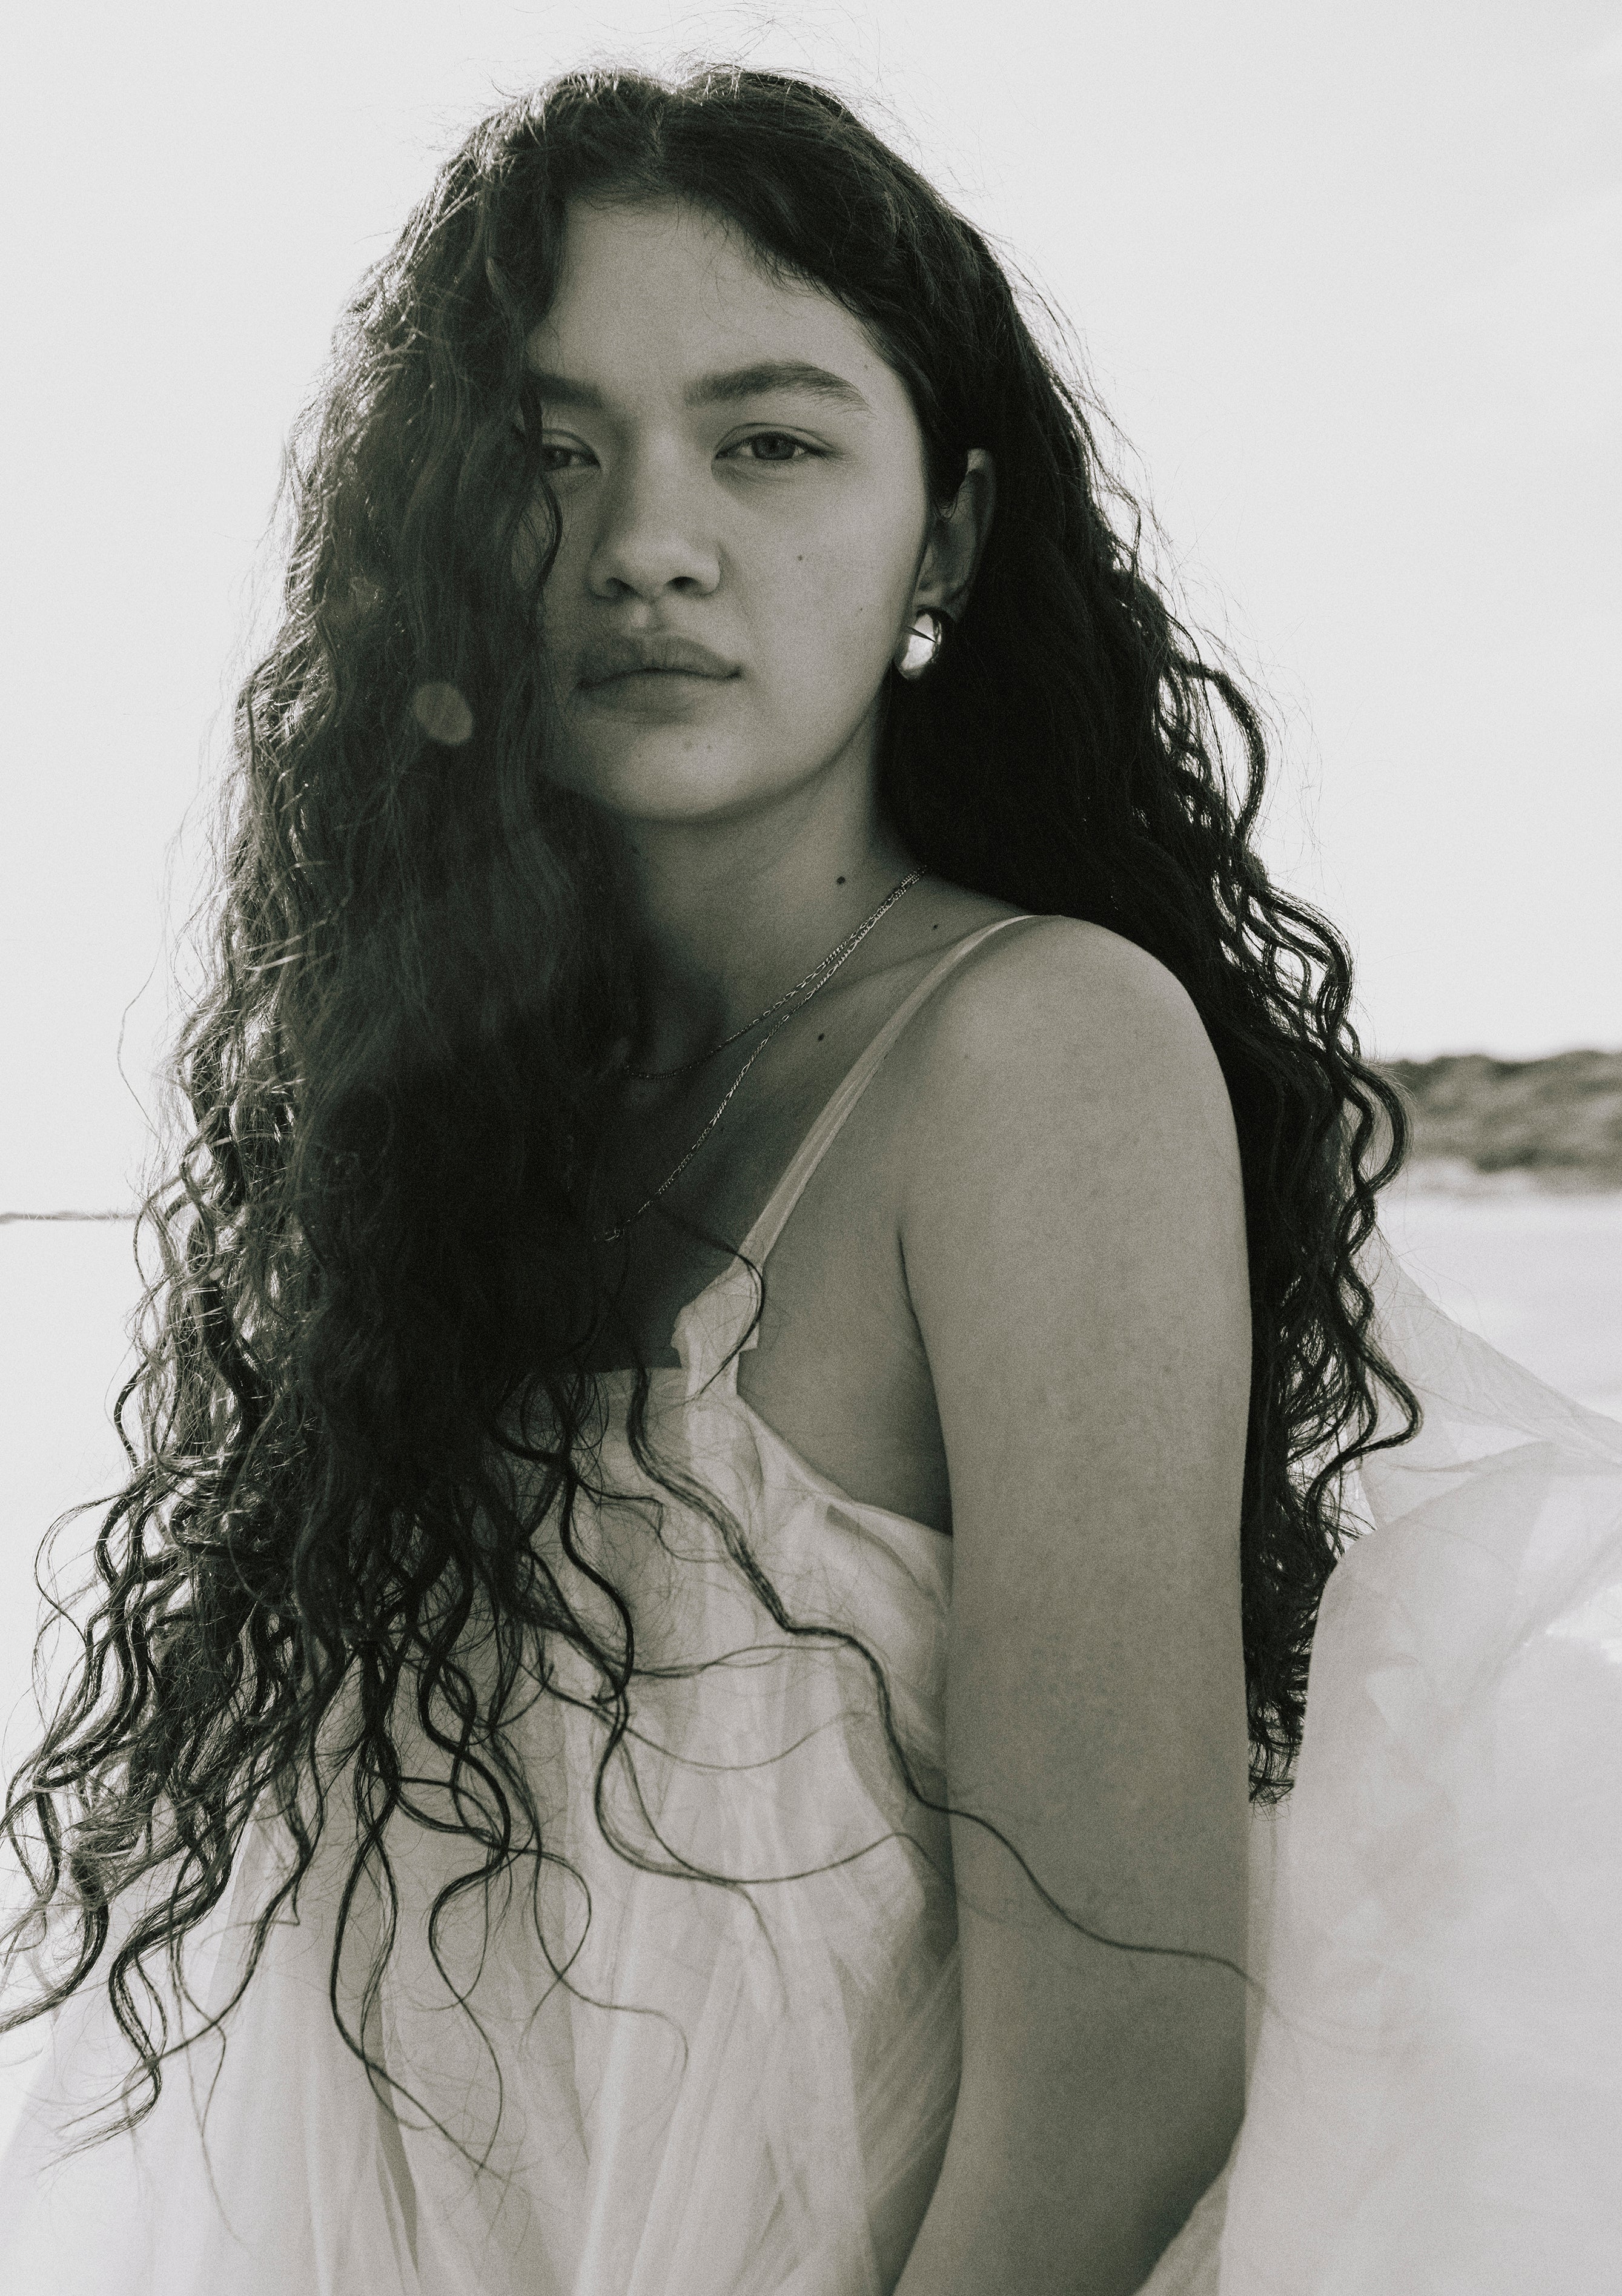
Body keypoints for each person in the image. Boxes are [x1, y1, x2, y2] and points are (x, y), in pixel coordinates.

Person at [2, 62, 1619, 2296]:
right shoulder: (443, 1139)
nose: (648, 541)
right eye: (550, 452)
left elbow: (1122, 2071)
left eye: (768, 443)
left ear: (943, 538)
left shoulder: (1034, 1052)